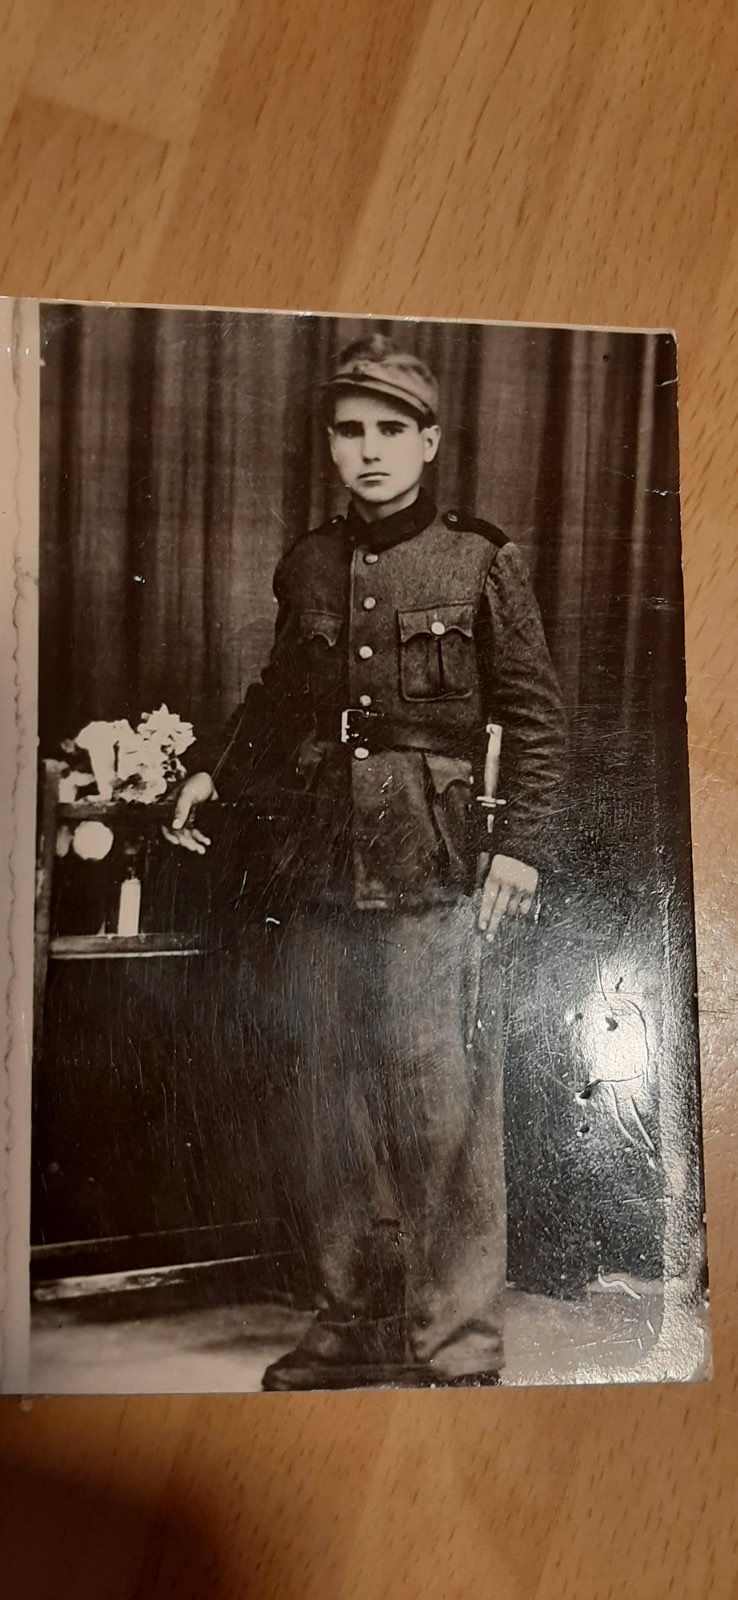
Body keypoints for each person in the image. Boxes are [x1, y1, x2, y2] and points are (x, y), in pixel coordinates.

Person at [164, 334, 567, 1390]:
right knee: (329, 1108)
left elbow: (537, 717)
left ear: (430, 441)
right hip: (319, 862)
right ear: (332, 446)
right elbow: (279, 698)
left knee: (443, 1111)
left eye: (393, 428)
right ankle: (353, 1320)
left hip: (433, 867)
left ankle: (457, 1344)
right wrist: (213, 774)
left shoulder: (479, 561)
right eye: (351, 431)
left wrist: (521, 849)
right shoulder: (307, 563)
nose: (371, 449)